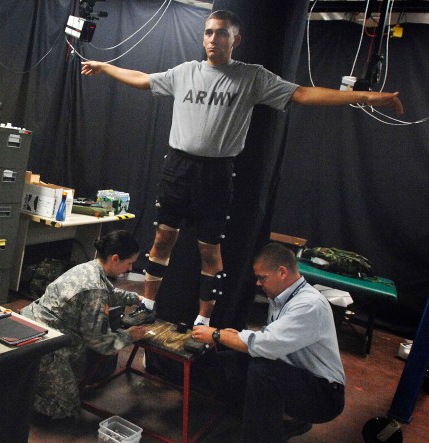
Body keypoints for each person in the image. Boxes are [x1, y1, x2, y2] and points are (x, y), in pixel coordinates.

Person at [81, 10, 404, 329]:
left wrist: (367, 96)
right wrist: (106, 67)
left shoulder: (251, 76)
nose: (212, 39)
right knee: (163, 238)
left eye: (220, 33)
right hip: (178, 168)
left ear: (236, 39)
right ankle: (148, 304)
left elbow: (303, 94)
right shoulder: (186, 71)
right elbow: (144, 80)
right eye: (208, 32)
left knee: (210, 250)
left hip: (217, 173)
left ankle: (203, 319)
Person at [190, 243, 345, 442]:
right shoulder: (282, 297)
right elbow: (272, 335)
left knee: (263, 372)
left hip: (324, 396)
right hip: (299, 375)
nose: (258, 283)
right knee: (230, 360)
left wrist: (217, 335)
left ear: (282, 272)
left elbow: (267, 345)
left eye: (262, 278)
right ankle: (257, 420)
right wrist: (236, 336)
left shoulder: (308, 305)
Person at [19, 230, 151, 420]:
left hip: (31, 325)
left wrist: (135, 298)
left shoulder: (90, 268)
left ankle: (29, 381)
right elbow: (99, 342)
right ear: (115, 259)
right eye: (129, 263)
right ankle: (19, 396)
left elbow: (107, 292)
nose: (130, 269)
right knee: (67, 407)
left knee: (77, 367)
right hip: (44, 342)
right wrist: (129, 336)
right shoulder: (95, 288)